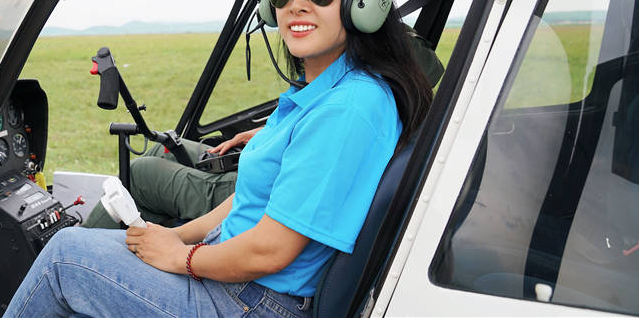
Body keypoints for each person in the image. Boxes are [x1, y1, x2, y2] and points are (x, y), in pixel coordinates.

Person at [4, 0, 433, 318]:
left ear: (363, 3)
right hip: (242, 282)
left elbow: (271, 249)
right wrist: (177, 237)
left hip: (257, 302)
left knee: (65, 258)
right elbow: (253, 200)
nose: (297, 5)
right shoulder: (327, 92)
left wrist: (181, 258)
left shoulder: (350, 106)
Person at [81, 30, 442, 228]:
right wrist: (259, 136)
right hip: (269, 165)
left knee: (140, 172)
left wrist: (180, 253)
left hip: (260, 189)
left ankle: (82, 240)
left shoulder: (359, 101)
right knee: (162, 148)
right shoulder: (376, 87)